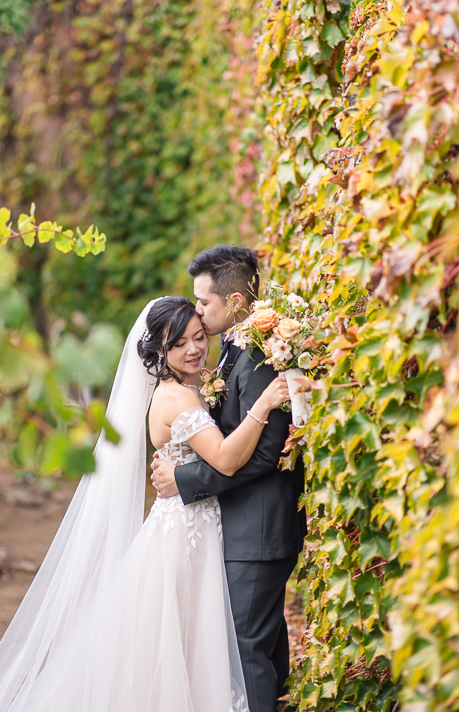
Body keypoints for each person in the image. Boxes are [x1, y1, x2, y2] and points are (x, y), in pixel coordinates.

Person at [0, 295, 290, 712]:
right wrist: (261, 405)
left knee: (185, 646)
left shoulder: (186, 388)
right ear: (158, 352)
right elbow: (224, 458)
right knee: (178, 646)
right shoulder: (177, 398)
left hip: (193, 525)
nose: (194, 349)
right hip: (185, 536)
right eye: (178, 344)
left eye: (197, 337)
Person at [152, 246, 307, 712]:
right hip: (241, 525)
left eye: (203, 303)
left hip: (258, 529)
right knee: (262, 645)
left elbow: (263, 455)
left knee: (246, 650)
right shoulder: (234, 350)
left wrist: (185, 478)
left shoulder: (259, 357)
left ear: (235, 302)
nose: (196, 311)